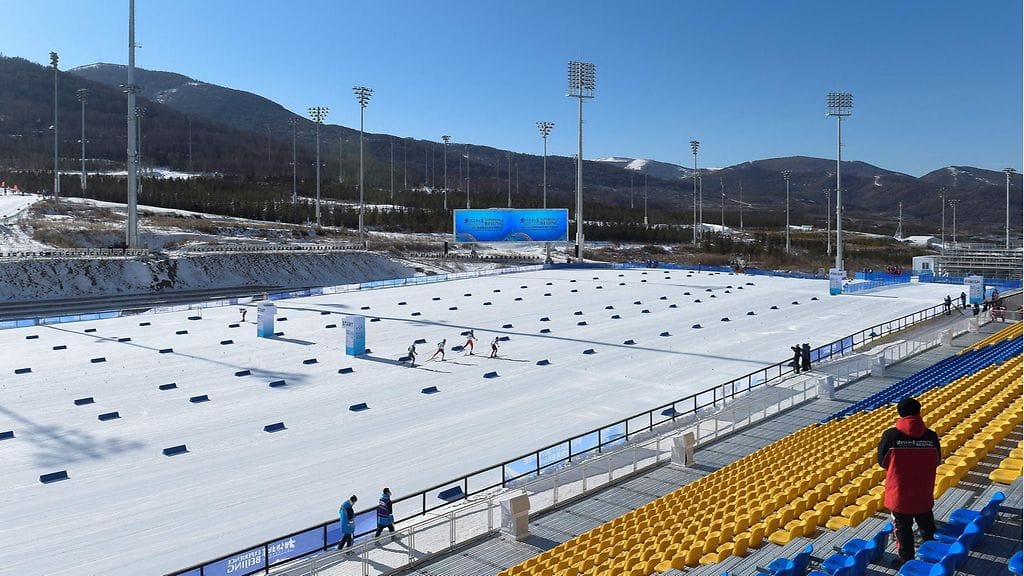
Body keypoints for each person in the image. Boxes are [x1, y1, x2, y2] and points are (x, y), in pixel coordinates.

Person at [877, 397, 941, 567]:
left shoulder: (891, 435)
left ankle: (906, 559)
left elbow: (882, 461)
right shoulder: (931, 436)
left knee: (902, 528)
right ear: (919, 412)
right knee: (927, 524)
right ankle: (933, 554)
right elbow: (937, 459)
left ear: (900, 413)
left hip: (900, 493)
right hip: (923, 490)